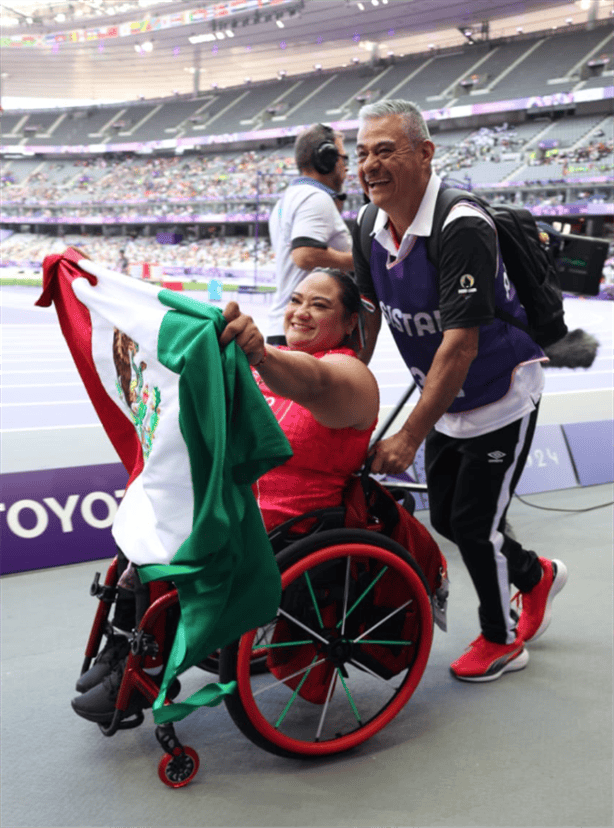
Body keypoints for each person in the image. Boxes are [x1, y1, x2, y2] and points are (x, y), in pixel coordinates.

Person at [72, 268, 379, 722]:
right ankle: (124, 650)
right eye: (296, 300)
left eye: (320, 305)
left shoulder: (349, 374)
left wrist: (259, 354)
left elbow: (313, 382)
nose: (302, 312)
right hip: (241, 506)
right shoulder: (272, 358)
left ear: (351, 322)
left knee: (180, 550)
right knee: (145, 523)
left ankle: (145, 667)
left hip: (294, 526)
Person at [352, 99, 567, 683]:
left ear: (425, 154)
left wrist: (408, 435)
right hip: (446, 398)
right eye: (362, 152)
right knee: (448, 515)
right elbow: (369, 315)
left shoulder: (462, 225)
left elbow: (460, 346)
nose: (369, 165)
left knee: (472, 524)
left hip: (499, 391)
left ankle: (501, 640)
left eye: (385, 150)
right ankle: (534, 574)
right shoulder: (369, 225)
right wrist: (340, 383)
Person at [267, 124, 354, 345]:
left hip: (291, 325)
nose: (345, 166)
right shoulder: (315, 197)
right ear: (326, 158)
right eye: (343, 158)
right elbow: (305, 255)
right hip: (308, 328)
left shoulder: (287, 199)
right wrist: (362, 260)